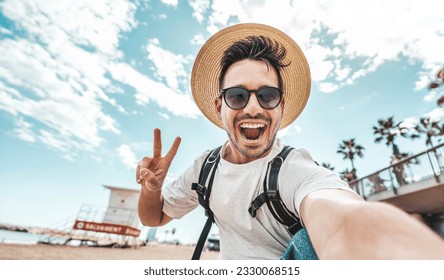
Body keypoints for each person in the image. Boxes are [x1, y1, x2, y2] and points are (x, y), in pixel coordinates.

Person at [136, 23, 444, 259]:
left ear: (281, 106)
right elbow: (155, 216)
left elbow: (341, 217)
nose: (253, 108)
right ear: (221, 107)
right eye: (238, 96)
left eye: (267, 96)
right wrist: (151, 190)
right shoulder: (206, 168)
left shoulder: (293, 169)